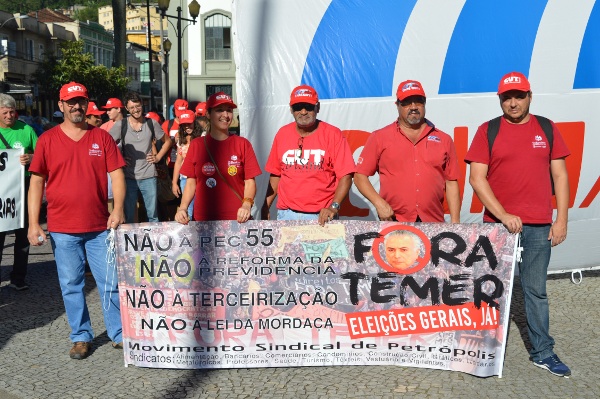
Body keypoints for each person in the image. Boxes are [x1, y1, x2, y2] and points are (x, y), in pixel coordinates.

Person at [465, 71, 571, 377]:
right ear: (500, 100)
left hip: (538, 226)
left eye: (518, 96)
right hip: (497, 228)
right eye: (507, 98)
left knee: (536, 291)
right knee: (489, 290)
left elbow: (561, 176)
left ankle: (543, 352)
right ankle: (481, 350)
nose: (513, 103)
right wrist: (502, 214)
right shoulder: (489, 130)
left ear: (529, 96)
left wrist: (561, 218)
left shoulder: (547, 128)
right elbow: (477, 178)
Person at [27, 82, 126, 359]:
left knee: (110, 282)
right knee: (71, 284)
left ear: (87, 104)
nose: (76, 106)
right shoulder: (47, 139)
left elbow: (117, 175)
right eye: (70, 102)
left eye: (81, 101)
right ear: (61, 106)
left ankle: (118, 334)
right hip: (62, 228)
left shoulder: (101, 138)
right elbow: (36, 182)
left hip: (99, 226)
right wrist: (34, 223)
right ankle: (81, 336)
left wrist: (117, 210)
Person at [354, 80, 460, 223]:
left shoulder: (444, 139)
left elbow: (451, 182)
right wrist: (379, 203)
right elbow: (360, 176)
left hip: (433, 223)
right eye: (407, 102)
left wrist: (455, 221)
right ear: (397, 105)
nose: (414, 107)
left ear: (425, 103)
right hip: (394, 221)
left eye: (419, 101)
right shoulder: (379, 137)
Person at [261, 85, 355, 226]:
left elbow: (346, 176)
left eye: (308, 107)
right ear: (291, 109)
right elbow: (276, 174)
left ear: (318, 107)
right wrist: (265, 206)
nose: (303, 112)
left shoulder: (333, 134)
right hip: (286, 214)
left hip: (322, 216)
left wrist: (333, 207)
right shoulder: (282, 134)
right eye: (298, 107)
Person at [175, 92, 261, 223]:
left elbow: (250, 181)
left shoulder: (243, 144)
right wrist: (182, 208)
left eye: (229, 110)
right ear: (208, 114)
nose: (225, 115)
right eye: (219, 110)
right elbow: (191, 182)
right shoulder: (197, 145)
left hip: (237, 220)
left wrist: (246, 204)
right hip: (203, 220)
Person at [108, 92, 172, 223]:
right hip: (128, 176)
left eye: (137, 106)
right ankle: (132, 243)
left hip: (149, 175)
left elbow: (168, 141)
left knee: (153, 215)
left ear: (142, 105)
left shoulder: (151, 123)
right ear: (126, 108)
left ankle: (153, 242)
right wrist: (119, 158)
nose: (135, 110)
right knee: (130, 215)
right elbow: (107, 145)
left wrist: (158, 157)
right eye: (131, 108)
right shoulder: (121, 125)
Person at [0, 93, 37, 290]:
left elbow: (42, 155)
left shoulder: (26, 130)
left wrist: (31, 158)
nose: (9, 116)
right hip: (1, 193)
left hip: (23, 188)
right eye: (5, 112)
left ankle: (18, 278)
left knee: (23, 237)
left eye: (12, 112)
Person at [171, 111, 202, 219]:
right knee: (187, 209)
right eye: (184, 124)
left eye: (189, 123)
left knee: (200, 208)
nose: (187, 127)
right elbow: (178, 162)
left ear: (195, 122)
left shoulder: (203, 136)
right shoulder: (181, 140)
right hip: (185, 178)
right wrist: (174, 183)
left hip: (201, 178)